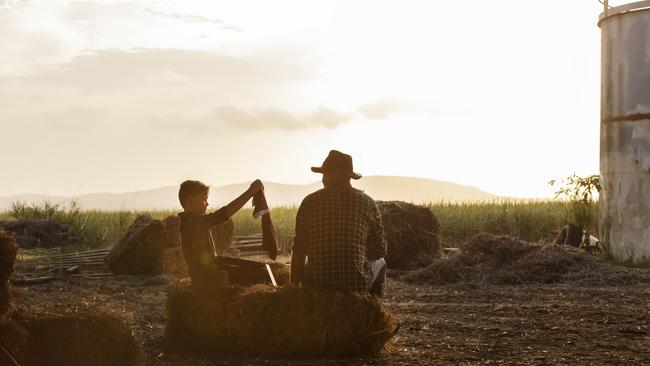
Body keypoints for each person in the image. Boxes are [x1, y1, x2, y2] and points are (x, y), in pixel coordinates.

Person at [291, 150, 388, 297]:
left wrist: (292, 287)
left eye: (325, 174)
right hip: (355, 285)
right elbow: (379, 250)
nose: (323, 179)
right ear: (349, 176)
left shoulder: (309, 202)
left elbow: (299, 249)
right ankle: (373, 309)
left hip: (315, 285)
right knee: (381, 262)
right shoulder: (368, 203)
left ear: (335, 174)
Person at [178, 179, 264, 284]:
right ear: (190, 202)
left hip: (208, 272)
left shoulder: (194, 221)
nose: (207, 203)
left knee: (257, 270)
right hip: (205, 277)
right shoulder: (191, 222)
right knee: (257, 275)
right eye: (204, 199)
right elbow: (221, 216)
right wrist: (250, 192)